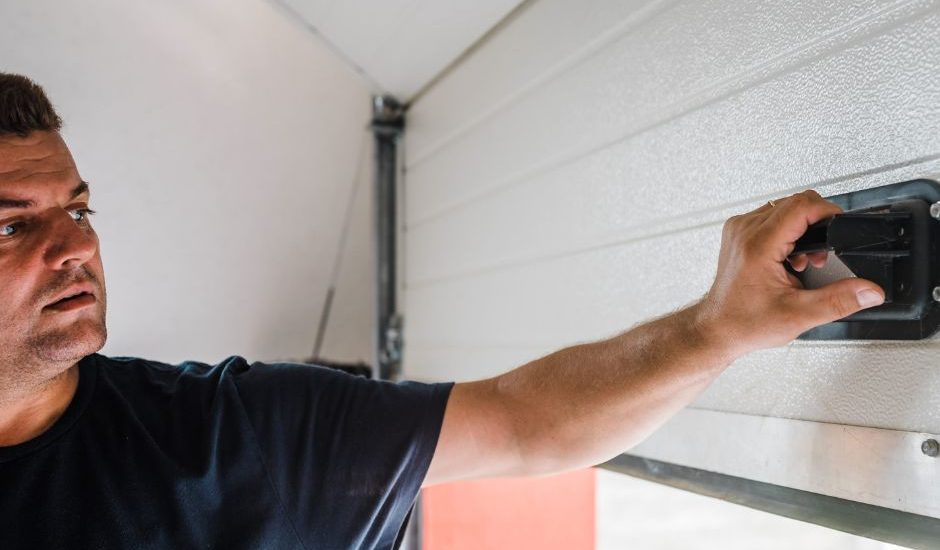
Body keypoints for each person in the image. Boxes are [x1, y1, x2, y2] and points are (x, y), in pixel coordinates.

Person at [0, 73, 886, 549]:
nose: (76, 245)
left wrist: (712, 329)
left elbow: (525, 422)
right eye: (12, 225)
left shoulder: (235, 439)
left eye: (79, 209)